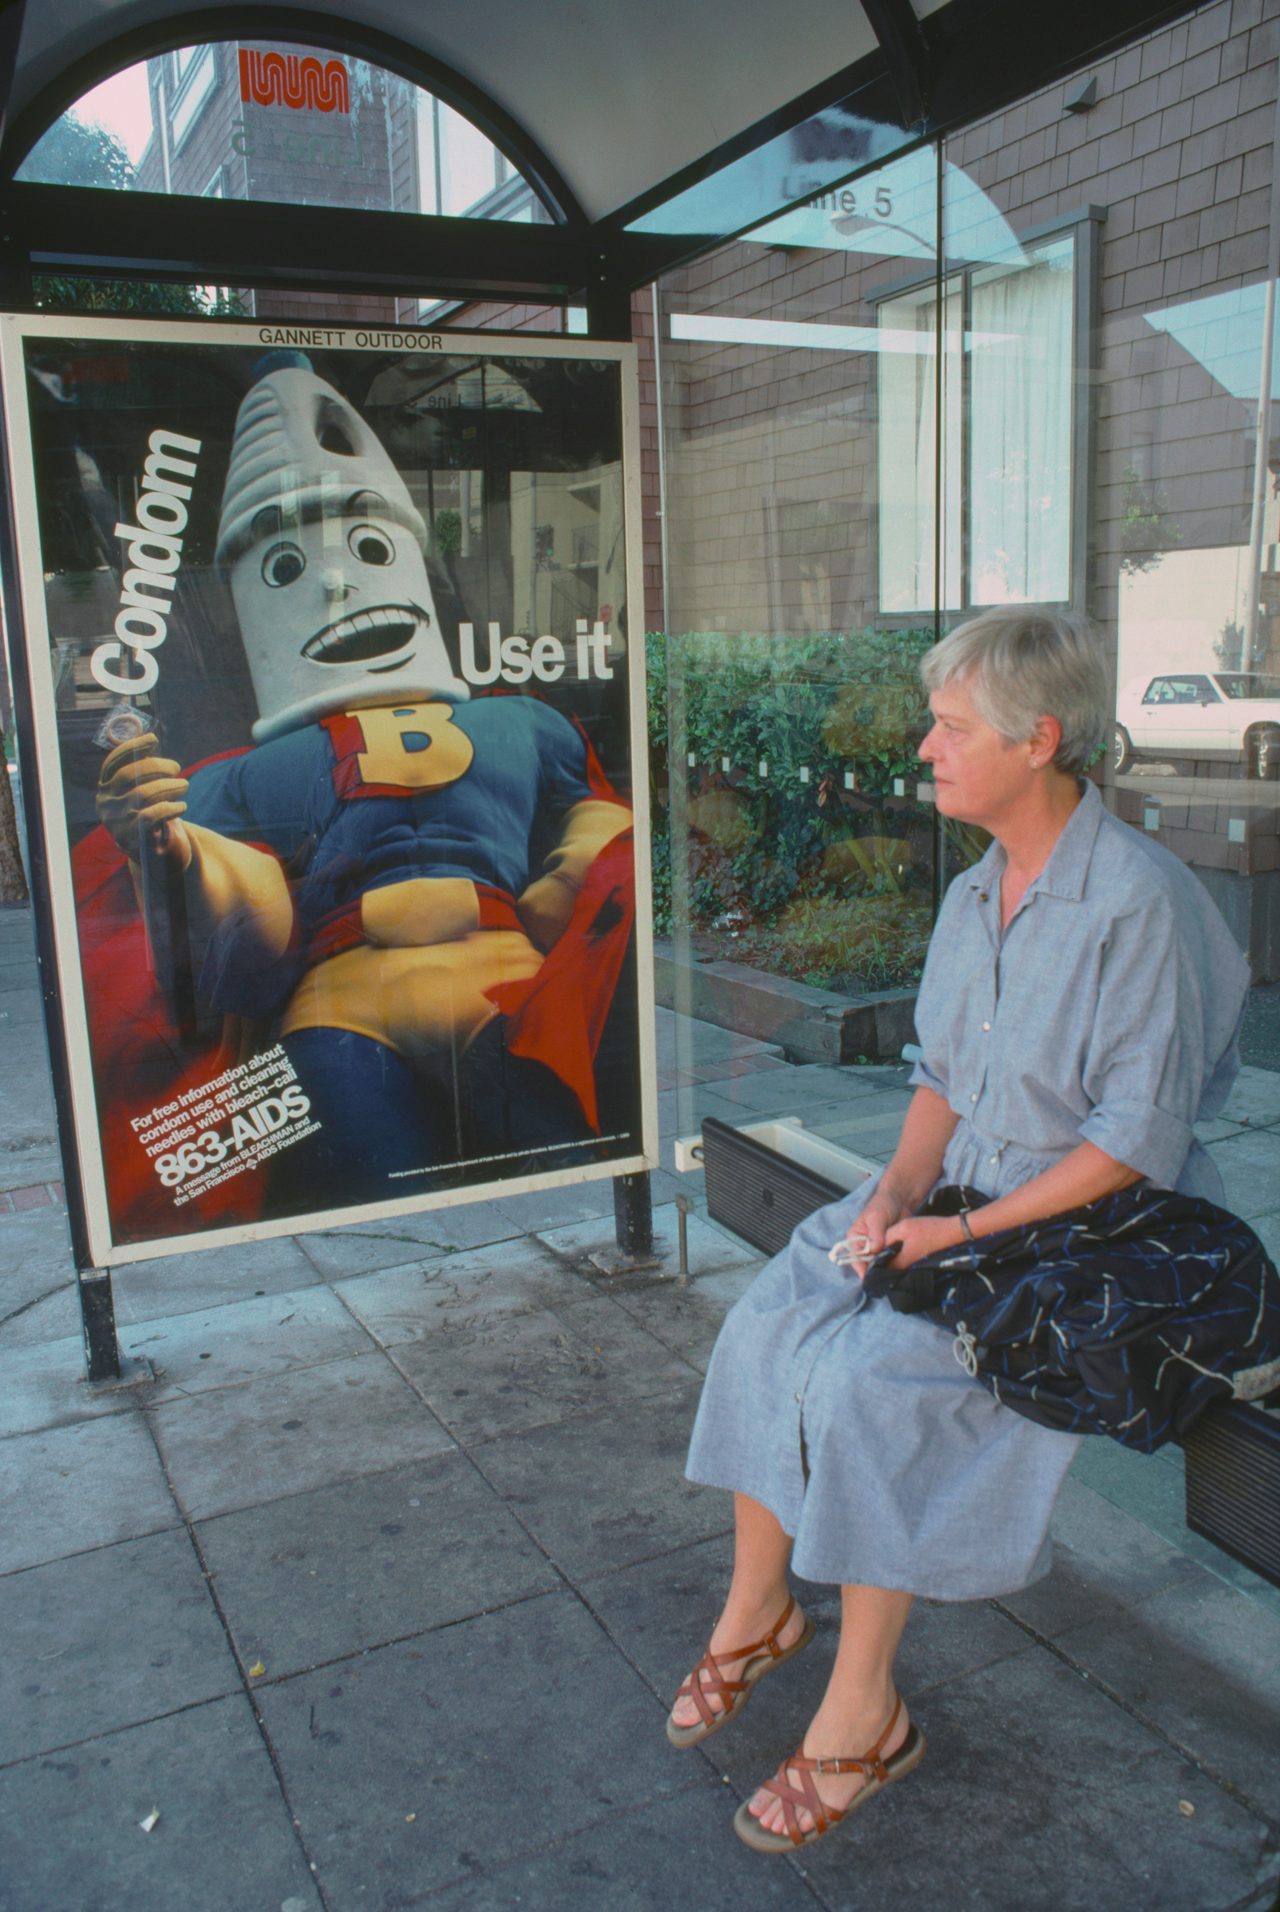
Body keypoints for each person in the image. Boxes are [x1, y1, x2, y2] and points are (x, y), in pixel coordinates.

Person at [667, 605, 1250, 1854]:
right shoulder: (977, 885)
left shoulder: (1131, 901)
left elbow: (1131, 1141)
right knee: (776, 1319)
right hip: (965, 1200)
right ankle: (757, 1608)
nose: (922, 750)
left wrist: (959, 1229)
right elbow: (937, 1078)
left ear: (1037, 740)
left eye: (947, 726)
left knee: (873, 1381)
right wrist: (888, 1198)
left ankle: (861, 1711)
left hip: (1086, 1224)